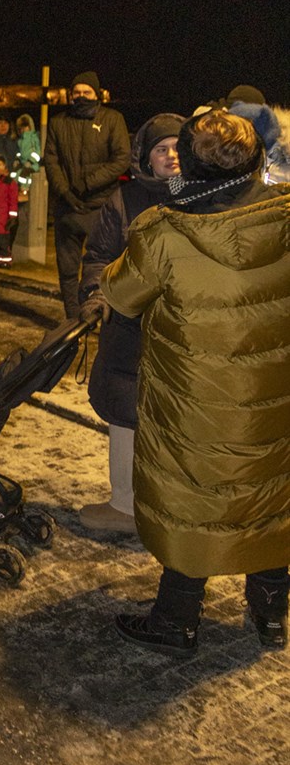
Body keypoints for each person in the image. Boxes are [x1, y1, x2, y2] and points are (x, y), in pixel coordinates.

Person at [101, 112, 290, 655]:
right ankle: (271, 613)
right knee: (269, 494)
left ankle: (176, 621)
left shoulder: (166, 231)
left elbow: (121, 294)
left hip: (194, 400)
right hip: (273, 395)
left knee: (193, 499)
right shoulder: (283, 215)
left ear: (188, 163)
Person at [77, 114, 184, 532]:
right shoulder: (124, 200)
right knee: (125, 414)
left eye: (178, 147)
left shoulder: (201, 197)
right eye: (161, 149)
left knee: (179, 417)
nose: (171, 156)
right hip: (128, 328)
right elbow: (99, 256)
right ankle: (124, 504)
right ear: (145, 157)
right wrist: (96, 295)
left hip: (181, 329)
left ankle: (171, 503)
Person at [43, 72, 129, 318]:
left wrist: (87, 184)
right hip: (67, 206)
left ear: (96, 94)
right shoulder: (58, 123)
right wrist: (65, 191)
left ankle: (99, 314)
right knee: (67, 269)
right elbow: (51, 160)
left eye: (86, 92)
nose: (81, 96)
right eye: (77, 92)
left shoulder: (112, 119)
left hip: (102, 206)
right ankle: (73, 318)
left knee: (103, 266)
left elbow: (121, 158)